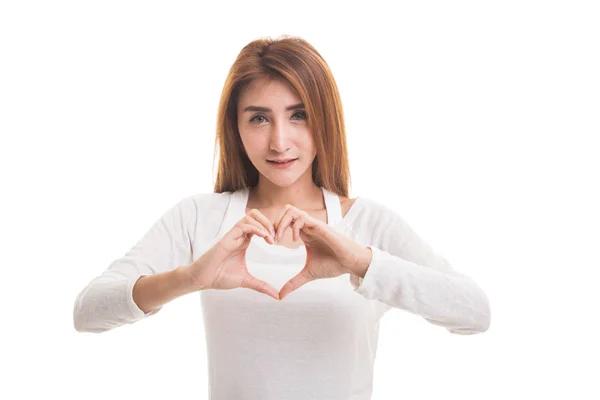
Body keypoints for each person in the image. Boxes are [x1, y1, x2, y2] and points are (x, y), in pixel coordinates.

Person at [73, 35, 491, 400]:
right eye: (258, 117)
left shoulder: (367, 224)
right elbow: (88, 312)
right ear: (235, 127)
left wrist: (361, 263)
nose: (279, 141)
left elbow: (474, 313)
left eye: (299, 115)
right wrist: (191, 278)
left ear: (324, 119)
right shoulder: (200, 217)